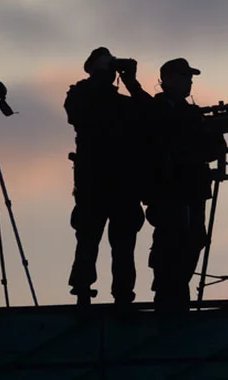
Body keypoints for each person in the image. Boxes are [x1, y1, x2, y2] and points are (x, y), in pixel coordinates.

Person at [65, 47, 153, 307]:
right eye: (105, 65)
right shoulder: (80, 94)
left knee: (124, 246)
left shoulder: (122, 102)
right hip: (93, 183)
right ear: (92, 68)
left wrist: (132, 82)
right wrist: (102, 76)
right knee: (88, 240)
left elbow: (150, 115)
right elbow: (77, 113)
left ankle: (123, 296)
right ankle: (82, 291)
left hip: (124, 184)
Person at [145, 58, 226, 312]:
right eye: (183, 77)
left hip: (193, 191)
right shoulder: (156, 110)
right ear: (167, 80)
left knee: (193, 242)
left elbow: (213, 149)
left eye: (189, 77)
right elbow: (162, 141)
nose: (189, 82)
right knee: (171, 243)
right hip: (169, 191)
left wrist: (214, 131)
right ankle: (168, 298)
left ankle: (178, 296)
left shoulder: (192, 114)